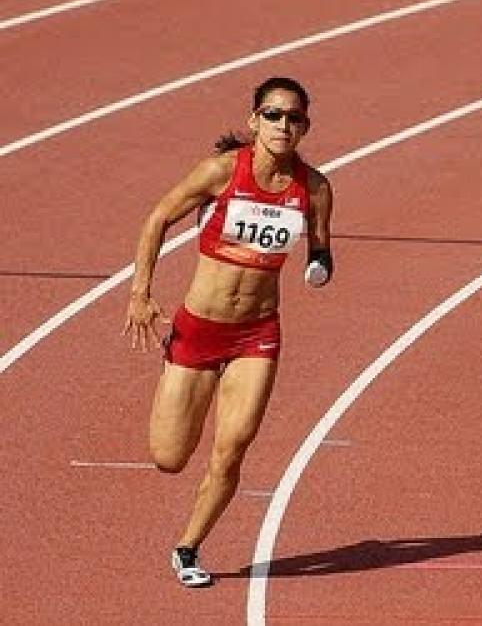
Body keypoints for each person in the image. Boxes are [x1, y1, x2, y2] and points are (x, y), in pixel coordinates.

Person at [122, 77, 334, 586]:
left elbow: (321, 248)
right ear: (254, 121)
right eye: (274, 115)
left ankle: (188, 548)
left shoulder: (316, 188)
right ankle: (179, 387)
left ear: (305, 127)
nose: (284, 125)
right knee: (170, 457)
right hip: (198, 329)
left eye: (294, 118)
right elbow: (157, 218)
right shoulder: (221, 172)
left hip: (256, 335)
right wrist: (140, 292)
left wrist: (320, 266)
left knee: (234, 445)